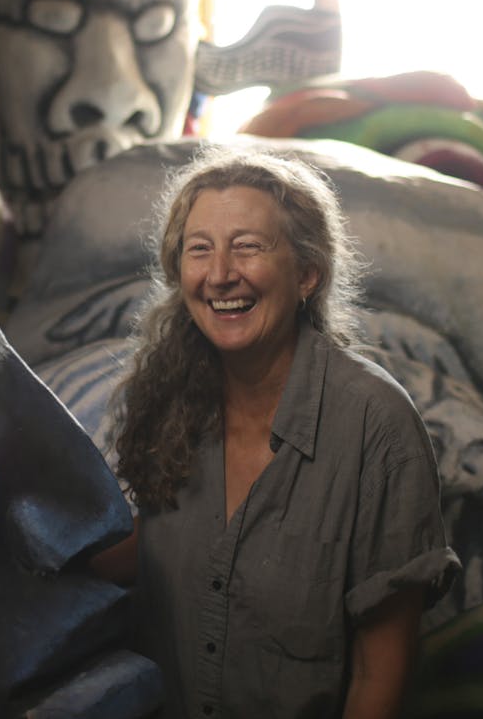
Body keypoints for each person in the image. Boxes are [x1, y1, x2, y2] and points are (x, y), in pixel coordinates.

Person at [92, 146, 460, 718]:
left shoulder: (375, 425)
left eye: (247, 247)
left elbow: (379, 669)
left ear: (307, 274)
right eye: (199, 251)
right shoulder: (166, 397)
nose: (219, 275)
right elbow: (168, 541)